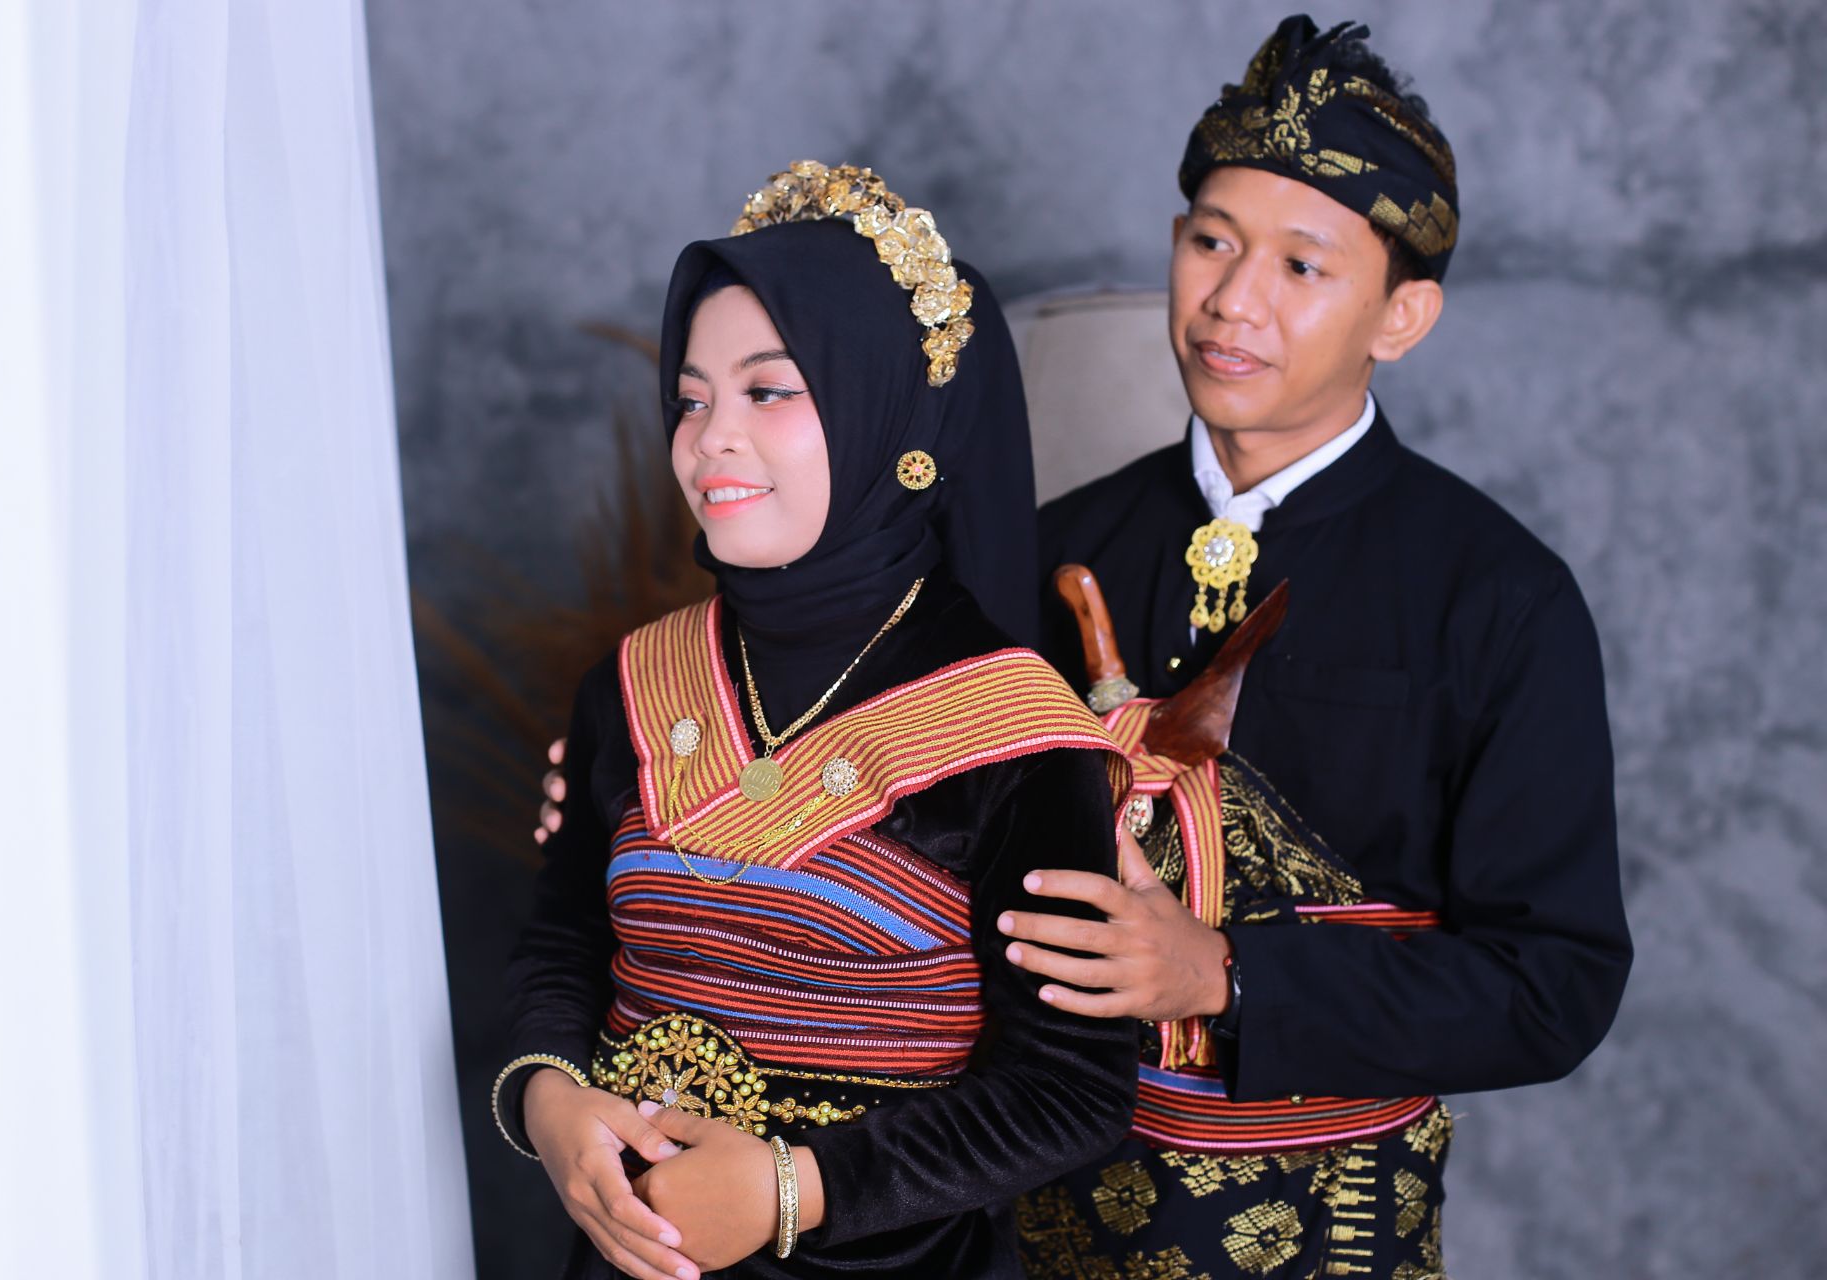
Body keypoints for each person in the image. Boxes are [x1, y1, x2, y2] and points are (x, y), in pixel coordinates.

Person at [1006, 17, 1633, 1279]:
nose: (1233, 300)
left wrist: (1227, 973)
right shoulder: (1049, 547)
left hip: (1332, 1224)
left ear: (1403, 315)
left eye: (1302, 265)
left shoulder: (1497, 595)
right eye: (1211, 242)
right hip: (1030, 1205)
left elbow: (1552, 982)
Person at [496, 161, 1139, 1280]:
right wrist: (547, 1097)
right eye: (691, 397)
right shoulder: (634, 681)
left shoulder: (1014, 731)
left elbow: (1071, 1090)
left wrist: (791, 1189)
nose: (709, 437)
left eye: (769, 391)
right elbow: (565, 939)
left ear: (883, 410)